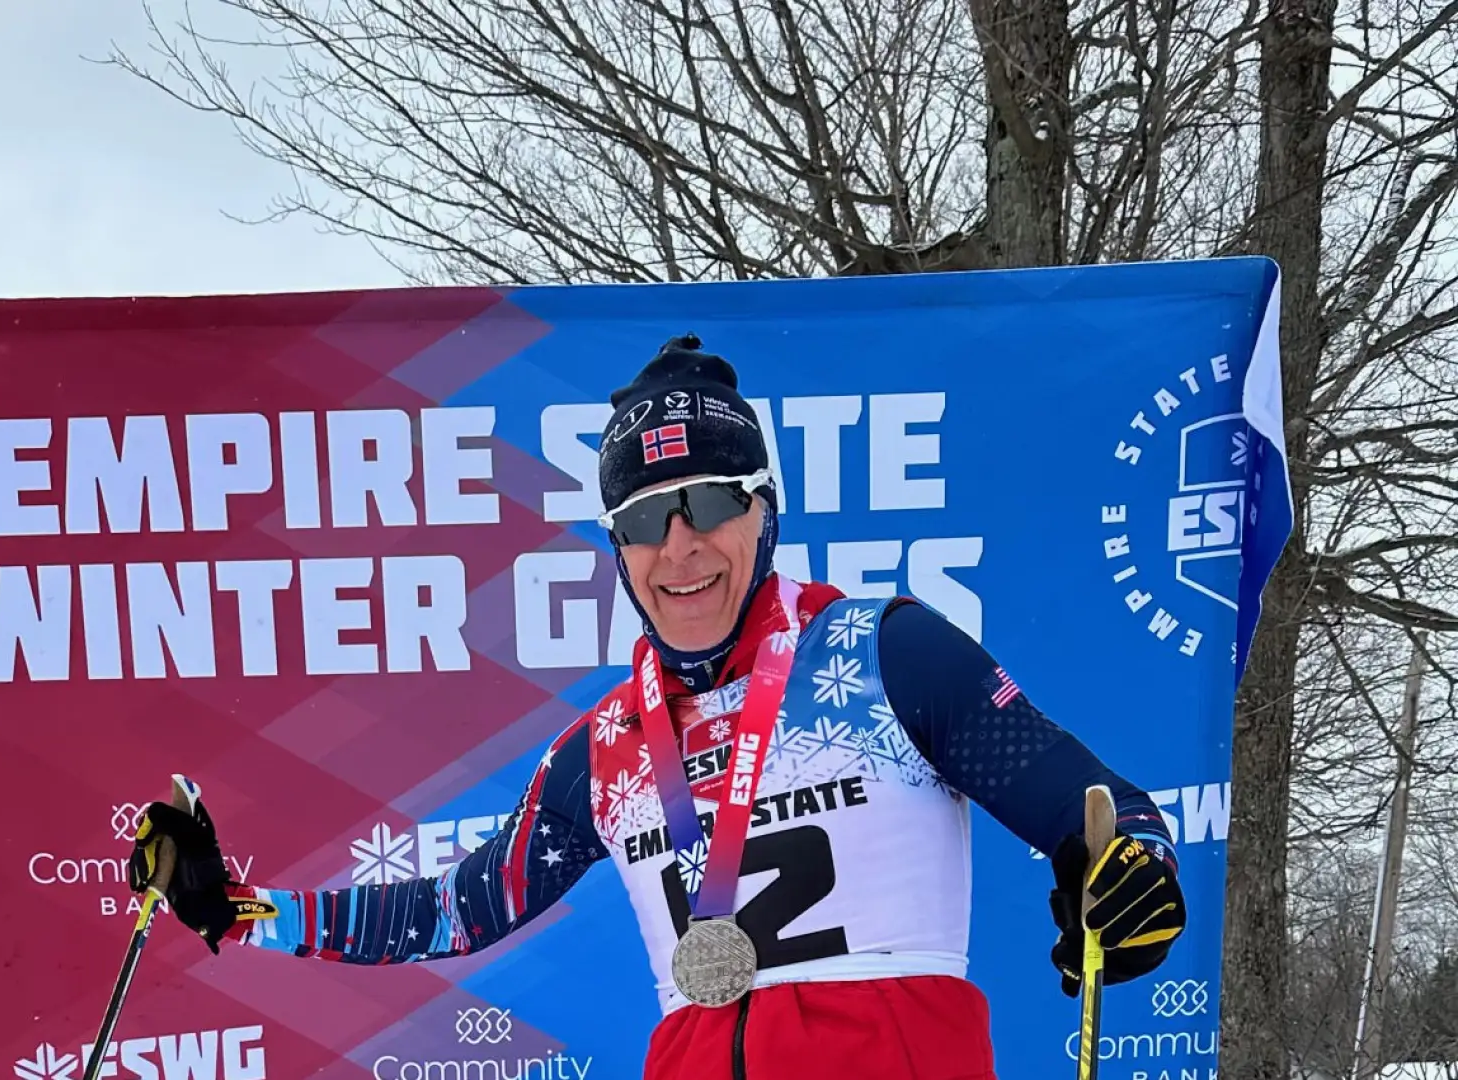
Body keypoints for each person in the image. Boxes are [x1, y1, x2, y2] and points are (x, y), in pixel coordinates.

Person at [126, 335, 1188, 1080]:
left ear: (763, 514)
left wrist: (1132, 876)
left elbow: (1099, 810)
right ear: (617, 550)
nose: (681, 546)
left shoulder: (886, 652)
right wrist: (238, 909)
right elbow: (457, 906)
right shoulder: (608, 748)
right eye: (643, 519)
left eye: (712, 503)